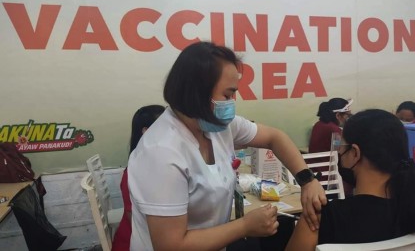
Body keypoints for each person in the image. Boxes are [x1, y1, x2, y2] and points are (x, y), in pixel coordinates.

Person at [127, 41, 326, 250]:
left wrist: (307, 180)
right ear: (198, 92)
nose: (231, 102)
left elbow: (274, 137)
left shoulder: (216, 125)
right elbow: (171, 245)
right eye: (227, 95)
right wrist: (245, 226)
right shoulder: (161, 152)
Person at [286, 109, 415, 251]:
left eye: (341, 147)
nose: (339, 153)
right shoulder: (407, 208)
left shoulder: (319, 218)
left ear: (355, 153)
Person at [111, 105, 165, 251]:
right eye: (166, 126)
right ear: (146, 132)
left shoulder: (163, 163)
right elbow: (135, 219)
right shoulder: (137, 170)